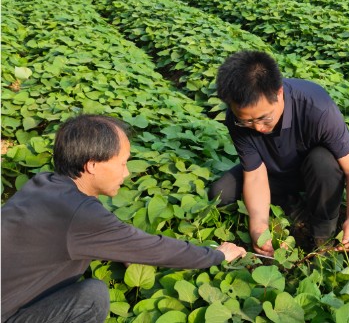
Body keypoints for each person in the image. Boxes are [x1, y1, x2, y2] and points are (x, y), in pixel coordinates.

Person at [1, 114, 246, 323]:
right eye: (122, 163)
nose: (127, 173)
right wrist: (216, 255)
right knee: (92, 297)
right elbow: (156, 249)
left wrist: (122, 247)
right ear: (92, 165)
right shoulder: (80, 214)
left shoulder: (44, 183)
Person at [209, 50, 349, 257]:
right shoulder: (236, 118)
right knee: (220, 193)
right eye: (247, 121)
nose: (257, 128)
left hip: (313, 174)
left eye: (264, 118)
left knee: (323, 162)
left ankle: (323, 236)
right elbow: (255, 175)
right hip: (270, 172)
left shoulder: (317, 108)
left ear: (279, 93)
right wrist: (258, 227)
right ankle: (294, 209)